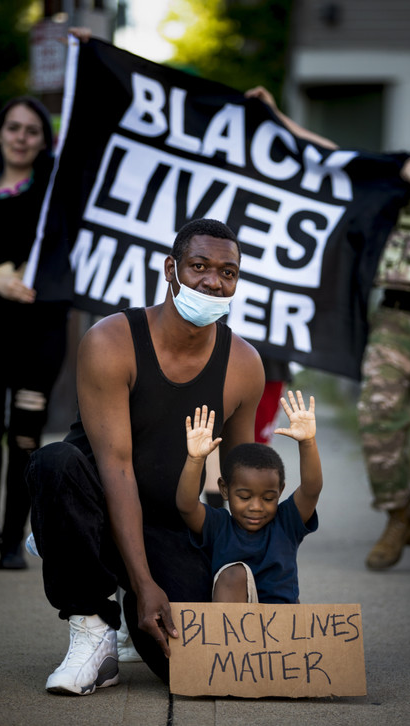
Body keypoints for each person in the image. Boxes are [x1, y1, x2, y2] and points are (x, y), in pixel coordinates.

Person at [247, 85, 410, 575]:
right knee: (377, 425)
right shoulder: (399, 167)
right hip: (393, 319)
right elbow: (333, 156)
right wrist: (275, 116)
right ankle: (398, 518)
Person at [25, 218, 265, 694]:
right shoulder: (111, 341)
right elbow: (116, 468)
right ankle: (92, 626)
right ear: (170, 269)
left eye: (228, 272)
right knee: (54, 463)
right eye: (199, 266)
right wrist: (144, 582)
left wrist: (256, 569)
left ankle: (128, 611)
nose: (213, 281)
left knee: (192, 667)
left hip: (167, 517)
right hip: (94, 497)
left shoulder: (243, 364)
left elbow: (243, 480)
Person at [0, 96, 69, 570]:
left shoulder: (54, 194)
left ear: (43, 141)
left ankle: (13, 540)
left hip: (39, 332)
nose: (21, 137)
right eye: (13, 127)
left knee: (25, 438)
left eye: (32, 130)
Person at [176, 390, 322, 603]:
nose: (256, 507)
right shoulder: (219, 526)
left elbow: (311, 489)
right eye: (244, 497)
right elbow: (187, 505)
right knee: (234, 573)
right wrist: (195, 459)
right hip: (233, 627)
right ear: (224, 489)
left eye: (268, 498)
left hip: (281, 627)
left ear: (280, 492)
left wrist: (307, 442)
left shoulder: (286, 523)